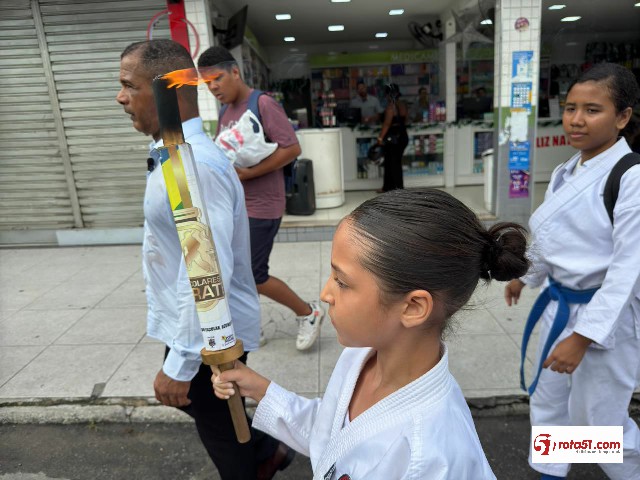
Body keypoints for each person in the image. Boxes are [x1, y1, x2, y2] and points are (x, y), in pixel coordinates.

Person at [211, 188, 532, 479]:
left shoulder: (432, 458)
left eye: (342, 282)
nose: (325, 294)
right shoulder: (360, 355)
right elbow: (331, 436)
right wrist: (260, 389)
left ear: (413, 307)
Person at [116, 39, 293, 480]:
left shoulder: (186, 164)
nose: (120, 97)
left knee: (218, 426)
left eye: (129, 86)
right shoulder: (172, 154)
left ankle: (262, 458)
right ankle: (266, 452)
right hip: (196, 324)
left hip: (208, 328)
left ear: (169, 91)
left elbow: (204, 272)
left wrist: (181, 362)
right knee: (216, 417)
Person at [504, 63, 640, 480]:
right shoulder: (567, 170)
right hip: (559, 304)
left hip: (605, 318)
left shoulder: (631, 177)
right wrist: (526, 275)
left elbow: (628, 270)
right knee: (549, 401)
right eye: (570, 108)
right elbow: (553, 238)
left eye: (592, 110)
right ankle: (551, 471)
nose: (577, 119)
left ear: (623, 117)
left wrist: (582, 337)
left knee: (600, 421)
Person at [197, 46, 325, 351]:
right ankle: (251, 325)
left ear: (235, 72)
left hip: (264, 204)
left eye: (217, 79)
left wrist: (249, 174)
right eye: (207, 83)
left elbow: (292, 148)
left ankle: (308, 312)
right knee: (238, 271)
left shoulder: (262, 103)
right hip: (237, 206)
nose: (213, 87)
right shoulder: (225, 111)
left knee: (254, 274)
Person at [376, 83, 409, 193]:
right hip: (402, 136)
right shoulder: (402, 105)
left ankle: (395, 189)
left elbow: (386, 124)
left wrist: (380, 138)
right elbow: (406, 119)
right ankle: (392, 187)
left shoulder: (391, 107)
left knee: (392, 163)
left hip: (393, 139)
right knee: (395, 162)